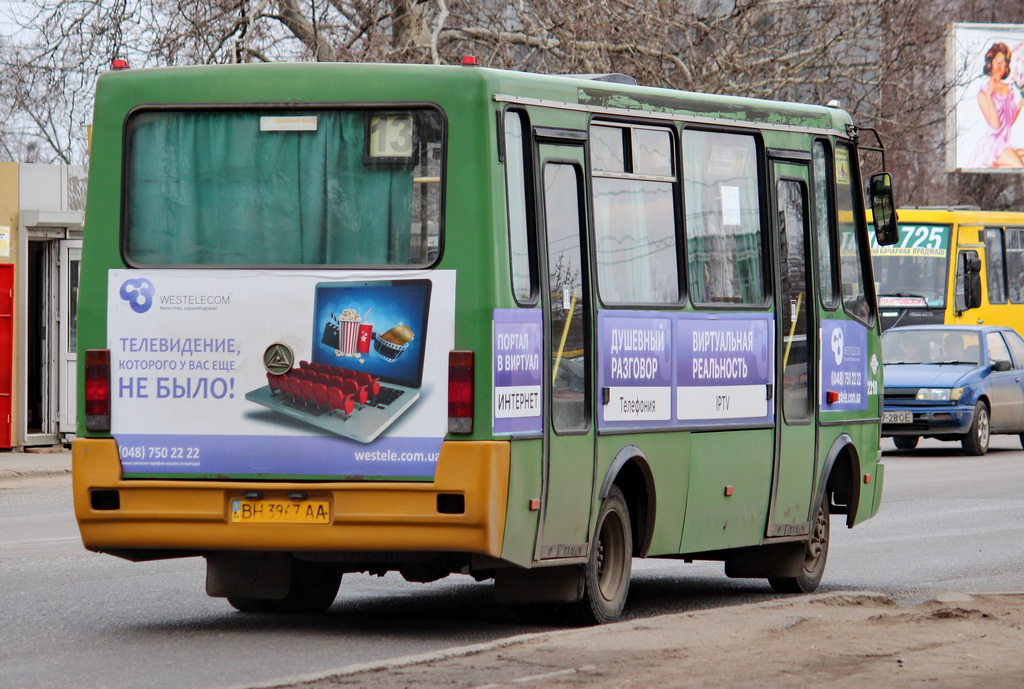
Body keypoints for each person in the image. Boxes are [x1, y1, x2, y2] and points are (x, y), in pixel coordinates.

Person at [971, 42, 1024, 168]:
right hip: (993, 145)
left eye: (1005, 65)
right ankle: (991, 165)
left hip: (1004, 143)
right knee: (1019, 166)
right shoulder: (983, 93)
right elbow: (995, 124)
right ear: (990, 64)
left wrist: (1021, 103)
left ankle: (994, 167)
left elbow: (1009, 121)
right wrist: (989, 96)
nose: (1002, 68)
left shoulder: (1008, 89)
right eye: (998, 63)